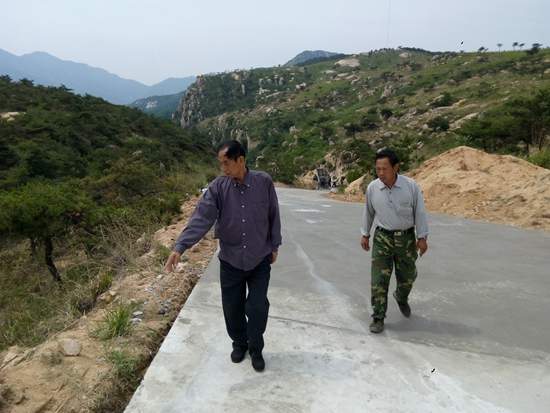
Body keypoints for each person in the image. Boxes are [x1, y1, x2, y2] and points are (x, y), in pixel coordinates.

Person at [164, 140, 282, 372]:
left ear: (241, 160)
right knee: (232, 307)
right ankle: (240, 343)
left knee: (257, 307)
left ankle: (256, 348)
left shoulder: (263, 182)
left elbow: (273, 214)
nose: (223, 169)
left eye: (226, 163)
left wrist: (275, 245)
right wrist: (180, 247)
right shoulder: (218, 187)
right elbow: (202, 217)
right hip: (230, 259)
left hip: (259, 258)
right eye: (221, 164)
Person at [360, 148, 429, 334]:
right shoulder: (373, 188)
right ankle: (378, 317)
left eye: (385, 169)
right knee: (378, 280)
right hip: (382, 238)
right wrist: (365, 234)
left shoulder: (411, 186)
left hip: (406, 239)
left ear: (396, 167)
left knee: (408, 276)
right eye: (378, 169)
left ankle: (401, 296)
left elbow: (420, 212)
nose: (381, 173)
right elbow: (368, 212)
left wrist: (422, 237)